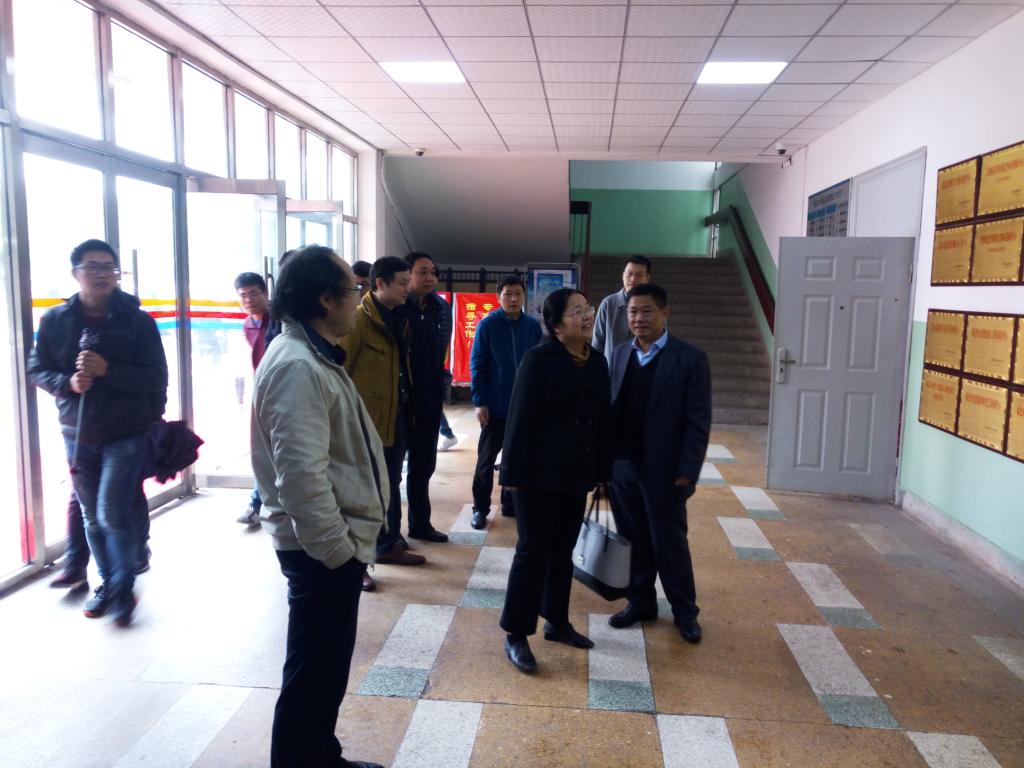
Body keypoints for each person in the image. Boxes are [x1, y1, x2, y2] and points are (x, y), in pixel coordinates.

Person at [251, 245, 385, 768]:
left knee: (325, 667)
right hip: (319, 549)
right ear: (326, 300)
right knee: (312, 671)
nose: (359, 299)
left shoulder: (314, 354)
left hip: (328, 545)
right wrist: (338, 551)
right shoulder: (297, 365)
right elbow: (301, 477)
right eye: (354, 290)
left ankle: (320, 756)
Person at [28, 239, 168, 626]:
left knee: (110, 511)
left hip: (126, 431)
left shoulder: (137, 322)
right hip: (76, 432)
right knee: (91, 515)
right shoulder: (55, 320)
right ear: (75, 273)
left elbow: (156, 377)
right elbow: (37, 368)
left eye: (109, 267)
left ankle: (122, 586)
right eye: (93, 267)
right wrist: (67, 383)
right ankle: (110, 582)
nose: (102, 274)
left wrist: (109, 371)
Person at [498, 288, 611, 673]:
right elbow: (519, 418)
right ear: (556, 324)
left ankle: (557, 622)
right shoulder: (539, 359)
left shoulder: (596, 361)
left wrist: (603, 472)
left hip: (575, 473)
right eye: (576, 311)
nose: (586, 315)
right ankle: (516, 632)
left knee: (563, 550)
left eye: (587, 308)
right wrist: (510, 475)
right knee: (532, 551)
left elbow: (603, 421)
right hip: (535, 475)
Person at [606, 283, 711, 644]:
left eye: (646, 311)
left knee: (670, 542)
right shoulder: (620, 353)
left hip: (666, 472)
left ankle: (685, 612)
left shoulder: (690, 358)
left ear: (665, 313)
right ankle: (641, 603)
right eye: (633, 312)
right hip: (623, 466)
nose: (638, 318)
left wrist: (688, 470)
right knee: (632, 539)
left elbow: (698, 421)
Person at [341, 256, 426, 581]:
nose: (408, 288)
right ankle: (357, 563)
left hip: (396, 417)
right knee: (364, 493)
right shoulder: (360, 319)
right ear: (380, 284)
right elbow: (341, 370)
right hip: (367, 422)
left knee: (389, 484)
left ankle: (387, 545)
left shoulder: (398, 315)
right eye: (402, 282)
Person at [468, 274, 542, 530]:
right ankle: (480, 508)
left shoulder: (532, 327)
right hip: (495, 406)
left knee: (518, 457)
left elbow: (538, 366)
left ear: (524, 297)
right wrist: (480, 402)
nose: (513, 299)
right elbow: (477, 365)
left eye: (518, 294)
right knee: (486, 461)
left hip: (523, 406)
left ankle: (510, 503)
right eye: (508, 294)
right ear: (498, 297)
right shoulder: (487, 325)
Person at [401, 252, 450, 543]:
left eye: (433, 272)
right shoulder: (397, 306)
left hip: (429, 398)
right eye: (423, 272)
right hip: (401, 401)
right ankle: (388, 535)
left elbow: (441, 351)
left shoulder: (440, 308)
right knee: (392, 470)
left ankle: (420, 524)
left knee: (423, 466)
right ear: (407, 275)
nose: (430, 278)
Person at [235, 271, 271, 527]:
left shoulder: (279, 320)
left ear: (265, 294)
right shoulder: (247, 325)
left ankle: (256, 503)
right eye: (243, 295)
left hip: (281, 392)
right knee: (262, 452)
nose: (248, 300)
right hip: (260, 394)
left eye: (253, 294)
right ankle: (256, 504)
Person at [592, 255, 652, 361]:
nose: (633, 279)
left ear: (647, 278)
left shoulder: (654, 306)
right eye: (629, 274)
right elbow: (597, 343)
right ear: (623, 276)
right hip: (611, 369)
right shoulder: (608, 304)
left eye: (639, 275)